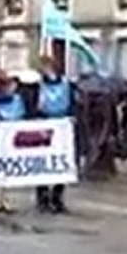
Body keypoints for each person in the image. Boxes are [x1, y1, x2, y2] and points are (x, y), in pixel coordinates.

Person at [35, 57, 74, 213]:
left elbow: (71, 104)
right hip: (44, 127)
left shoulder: (65, 84)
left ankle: (57, 197)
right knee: (42, 162)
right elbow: (35, 106)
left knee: (62, 162)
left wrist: (71, 118)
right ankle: (43, 197)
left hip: (62, 128)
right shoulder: (38, 85)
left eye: (47, 66)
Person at [0, 72, 26, 213]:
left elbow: (20, 115)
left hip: (11, 139)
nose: (11, 88)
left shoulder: (17, 100)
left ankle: (5, 200)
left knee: (8, 170)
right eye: (9, 85)